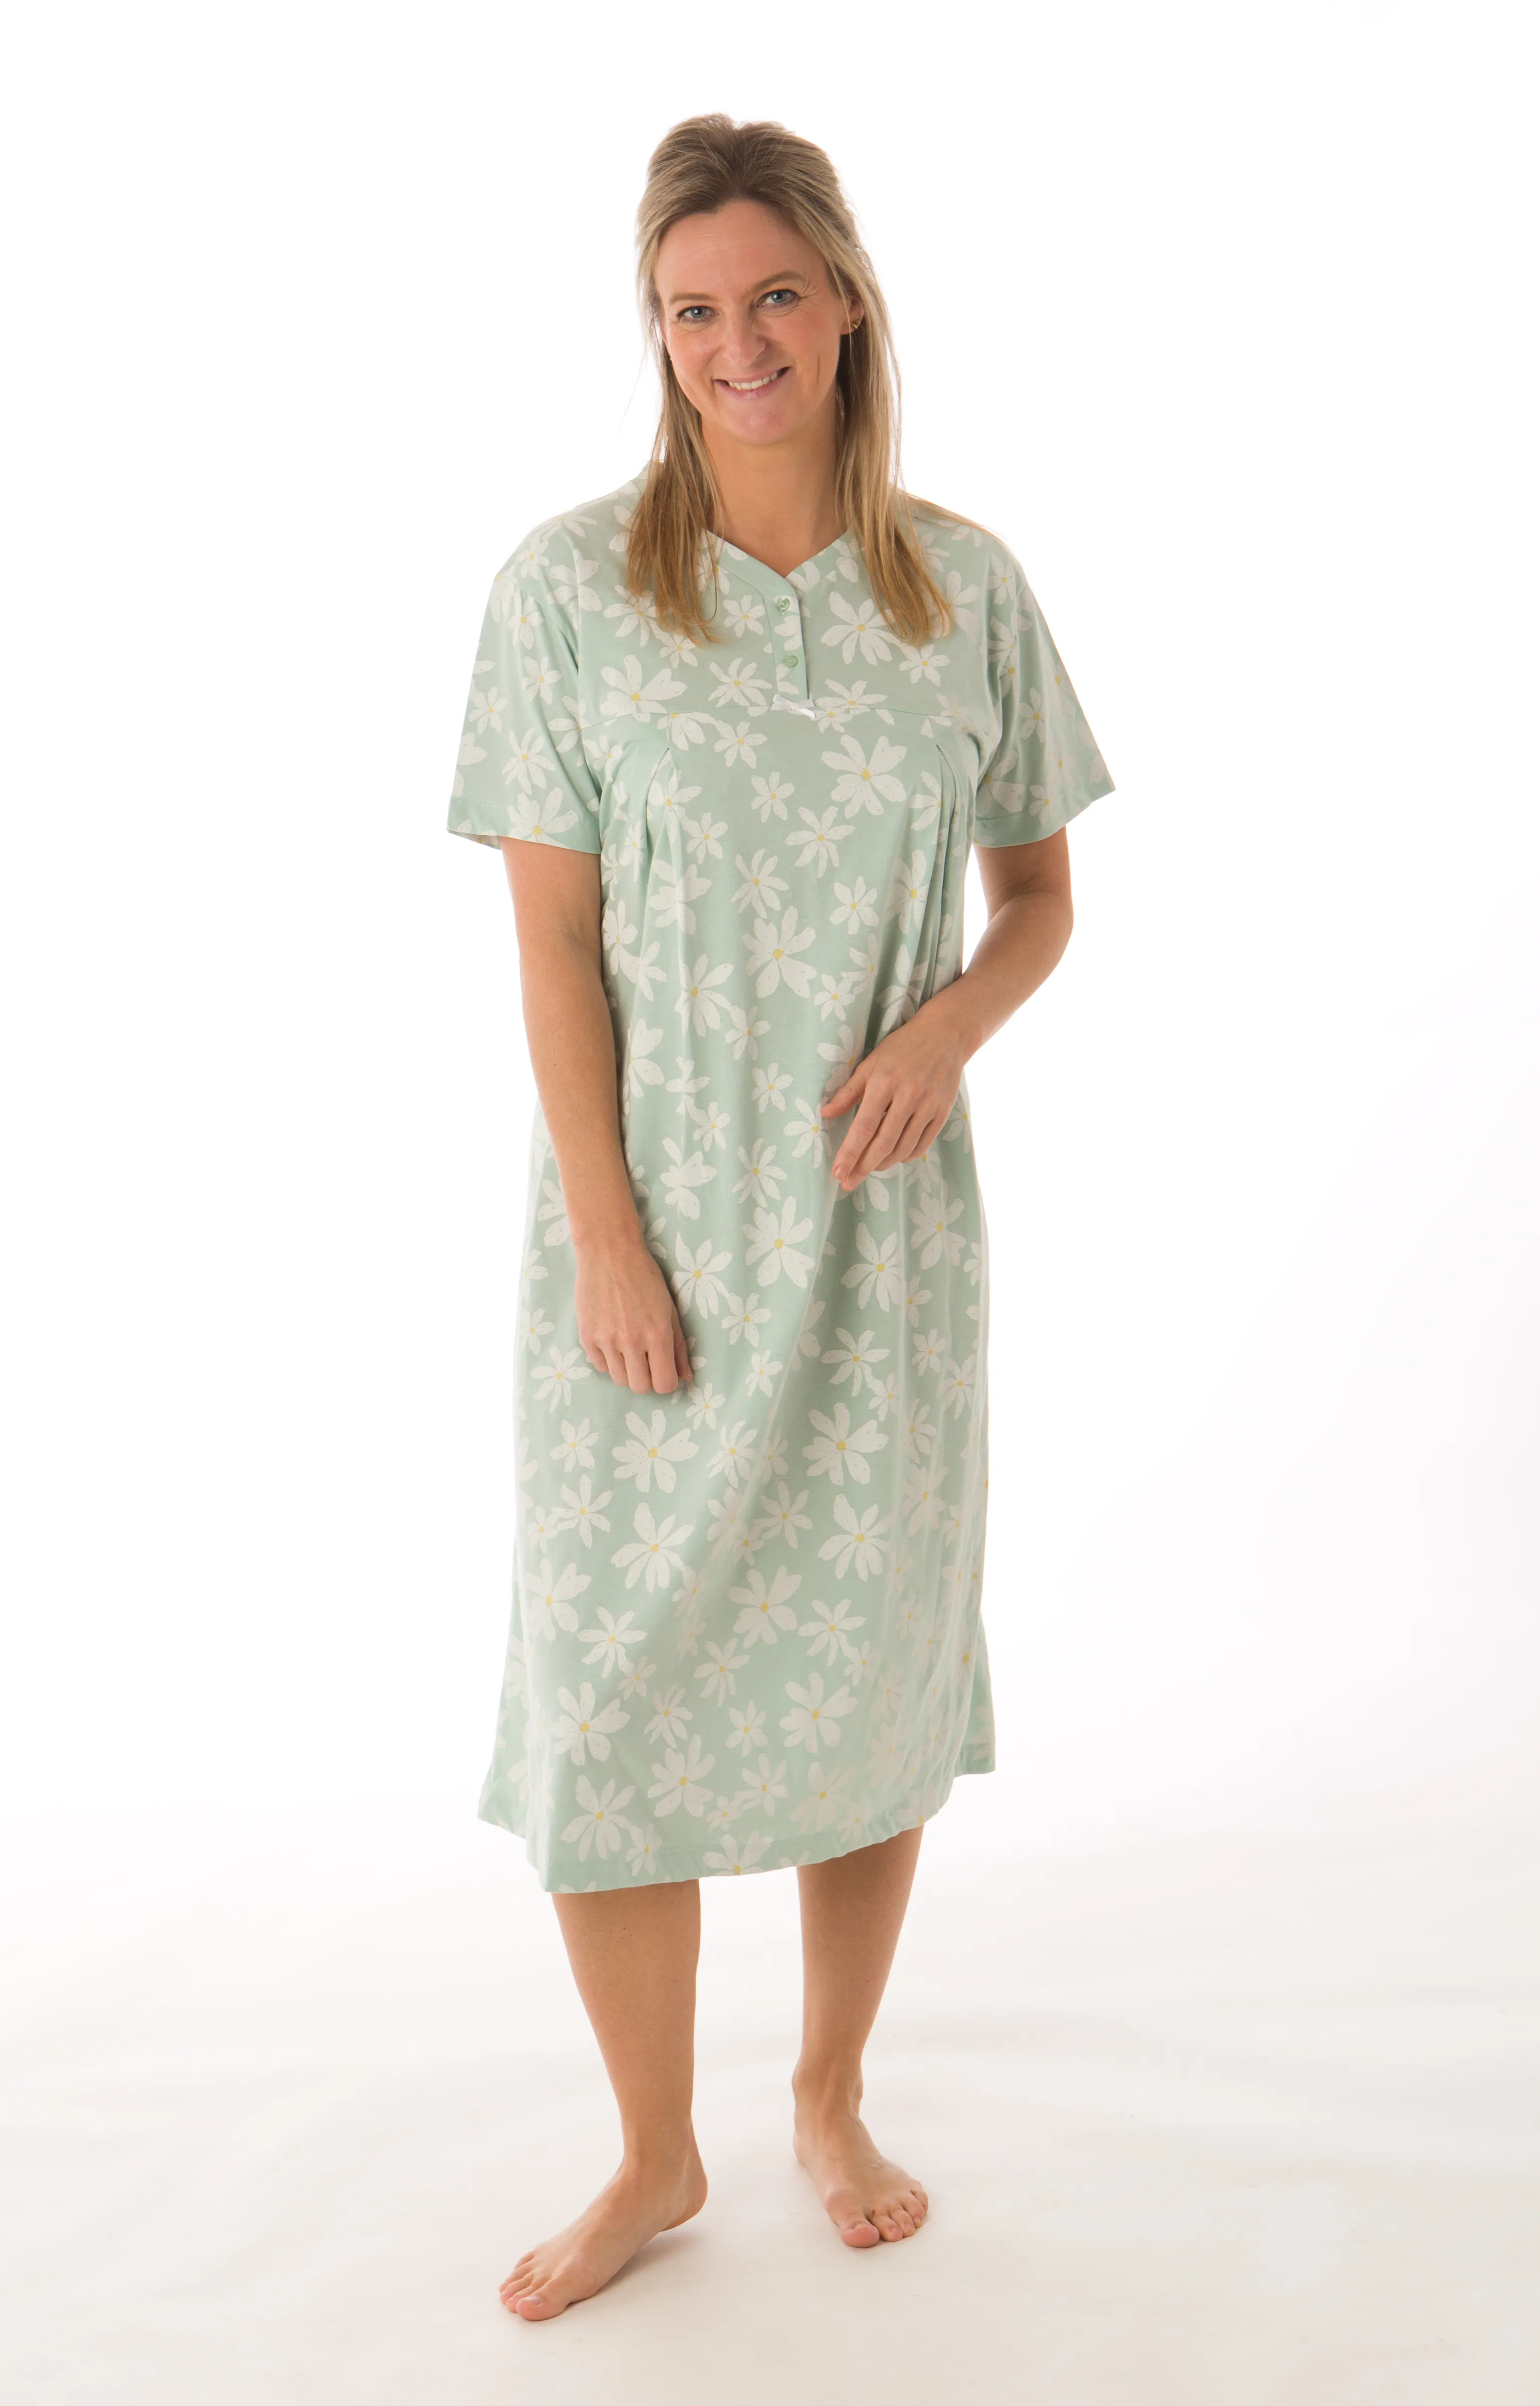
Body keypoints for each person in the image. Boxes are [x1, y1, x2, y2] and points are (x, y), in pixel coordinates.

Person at [446, 112, 1115, 2321]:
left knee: (870, 1671)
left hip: (878, 1231)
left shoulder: (962, 588)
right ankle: (654, 2151)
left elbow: (1040, 899)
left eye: (772, 296)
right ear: (655, 335)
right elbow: (554, 951)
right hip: (645, 1231)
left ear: (844, 304)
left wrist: (948, 1034)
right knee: (608, 1696)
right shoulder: (569, 591)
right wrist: (608, 1236)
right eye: (691, 310)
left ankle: (828, 2092)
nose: (736, 342)